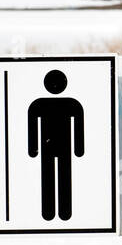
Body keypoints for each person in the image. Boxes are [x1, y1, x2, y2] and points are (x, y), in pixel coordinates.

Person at [28, 70, 84, 221]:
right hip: (60, 147)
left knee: (52, 177)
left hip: (51, 147)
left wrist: (33, 148)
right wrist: (79, 148)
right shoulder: (71, 104)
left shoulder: (39, 104)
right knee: (58, 177)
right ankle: (57, 212)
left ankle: (55, 212)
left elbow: (79, 125)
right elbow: (32, 125)